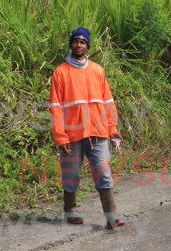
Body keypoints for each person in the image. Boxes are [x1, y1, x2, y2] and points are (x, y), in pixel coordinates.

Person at [49, 28, 124, 228]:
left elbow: (108, 101)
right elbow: (55, 108)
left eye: (83, 42)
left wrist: (112, 127)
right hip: (72, 135)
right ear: (71, 44)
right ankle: (70, 211)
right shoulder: (60, 72)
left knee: (104, 173)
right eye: (76, 41)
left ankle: (111, 217)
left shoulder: (97, 70)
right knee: (71, 173)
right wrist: (60, 136)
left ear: (87, 46)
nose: (79, 45)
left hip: (98, 132)